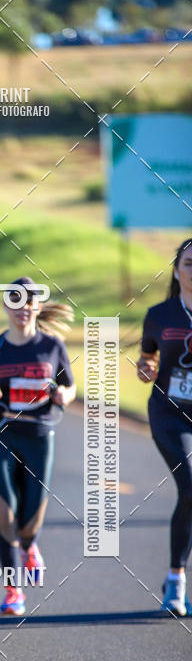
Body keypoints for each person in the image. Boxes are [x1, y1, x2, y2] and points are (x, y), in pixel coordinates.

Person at [0, 277, 76, 616]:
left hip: (40, 436)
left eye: (30, 302)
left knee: (30, 520)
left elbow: (70, 387)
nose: (23, 308)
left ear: (37, 307)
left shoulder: (52, 346)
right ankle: (13, 590)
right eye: (16, 301)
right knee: (5, 513)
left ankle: (29, 545)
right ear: (7, 307)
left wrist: (62, 396)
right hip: (0, 434)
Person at [137, 238, 192, 617]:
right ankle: (177, 579)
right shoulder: (160, 314)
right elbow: (147, 360)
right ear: (176, 270)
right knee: (190, 484)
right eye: (189, 263)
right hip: (168, 414)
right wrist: (145, 370)